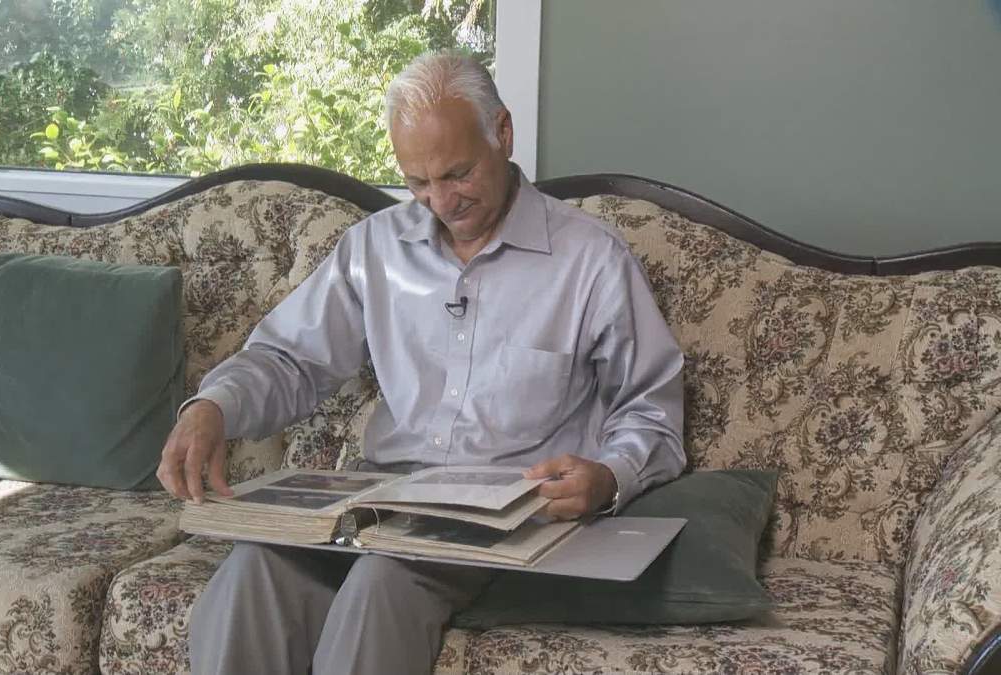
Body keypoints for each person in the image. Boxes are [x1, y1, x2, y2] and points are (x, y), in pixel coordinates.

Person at [157, 51, 685, 675]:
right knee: (253, 570)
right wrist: (213, 406)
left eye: (457, 173)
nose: (440, 201)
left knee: (382, 582)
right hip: (379, 500)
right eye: (416, 181)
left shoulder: (590, 261)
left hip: (508, 520)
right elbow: (289, 359)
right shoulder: (373, 249)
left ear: (503, 134)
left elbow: (651, 413)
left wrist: (608, 478)